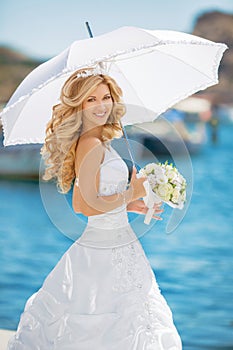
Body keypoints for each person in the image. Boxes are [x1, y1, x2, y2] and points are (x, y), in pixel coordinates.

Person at [7, 67, 182, 349]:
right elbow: (83, 206)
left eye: (105, 97)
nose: (101, 105)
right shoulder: (89, 143)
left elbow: (98, 198)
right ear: (79, 105)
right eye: (91, 99)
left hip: (120, 240)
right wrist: (130, 193)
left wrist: (132, 204)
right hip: (101, 247)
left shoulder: (101, 141)